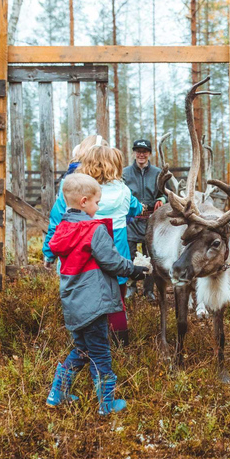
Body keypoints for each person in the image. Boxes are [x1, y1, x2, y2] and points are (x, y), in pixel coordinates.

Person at [45, 173, 149, 415]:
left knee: (82, 349)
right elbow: (112, 262)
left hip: (73, 302)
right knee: (100, 353)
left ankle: (57, 394)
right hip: (94, 303)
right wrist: (135, 270)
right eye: (96, 202)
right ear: (83, 201)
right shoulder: (93, 230)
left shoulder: (63, 228)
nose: (99, 206)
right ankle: (106, 404)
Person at [78, 146, 144, 347]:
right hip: (117, 249)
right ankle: (120, 344)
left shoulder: (81, 191)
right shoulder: (123, 191)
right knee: (117, 300)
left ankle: (88, 342)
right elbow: (137, 208)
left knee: (87, 297)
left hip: (88, 248)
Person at [43, 134, 108, 268]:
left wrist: (49, 254)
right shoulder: (74, 181)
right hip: (96, 247)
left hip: (82, 248)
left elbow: (57, 217)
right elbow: (58, 215)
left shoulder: (71, 179)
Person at [123, 138, 166, 301]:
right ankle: (131, 286)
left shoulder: (158, 173)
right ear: (134, 153)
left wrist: (162, 198)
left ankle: (149, 291)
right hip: (131, 221)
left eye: (144, 152)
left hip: (151, 221)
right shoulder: (125, 173)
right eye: (138, 152)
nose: (141, 155)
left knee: (150, 256)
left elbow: (166, 192)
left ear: (149, 154)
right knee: (130, 254)